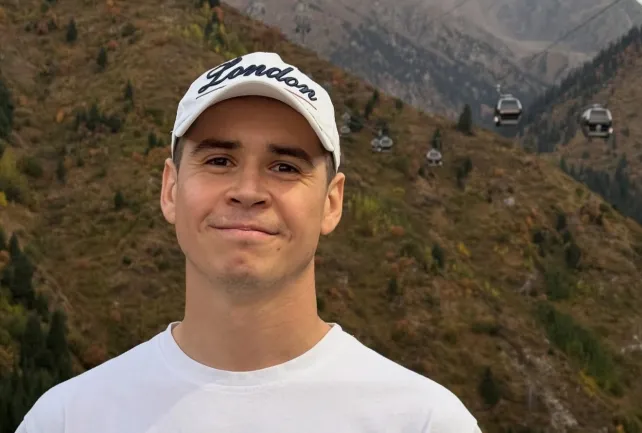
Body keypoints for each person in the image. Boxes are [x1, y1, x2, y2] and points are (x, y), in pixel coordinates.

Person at [16, 52, 482, 433]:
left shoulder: (423, 422)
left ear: (331, 203)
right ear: (171, 189)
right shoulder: (67, 420)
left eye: (285, 167)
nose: (248, 190)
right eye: (219, 160)